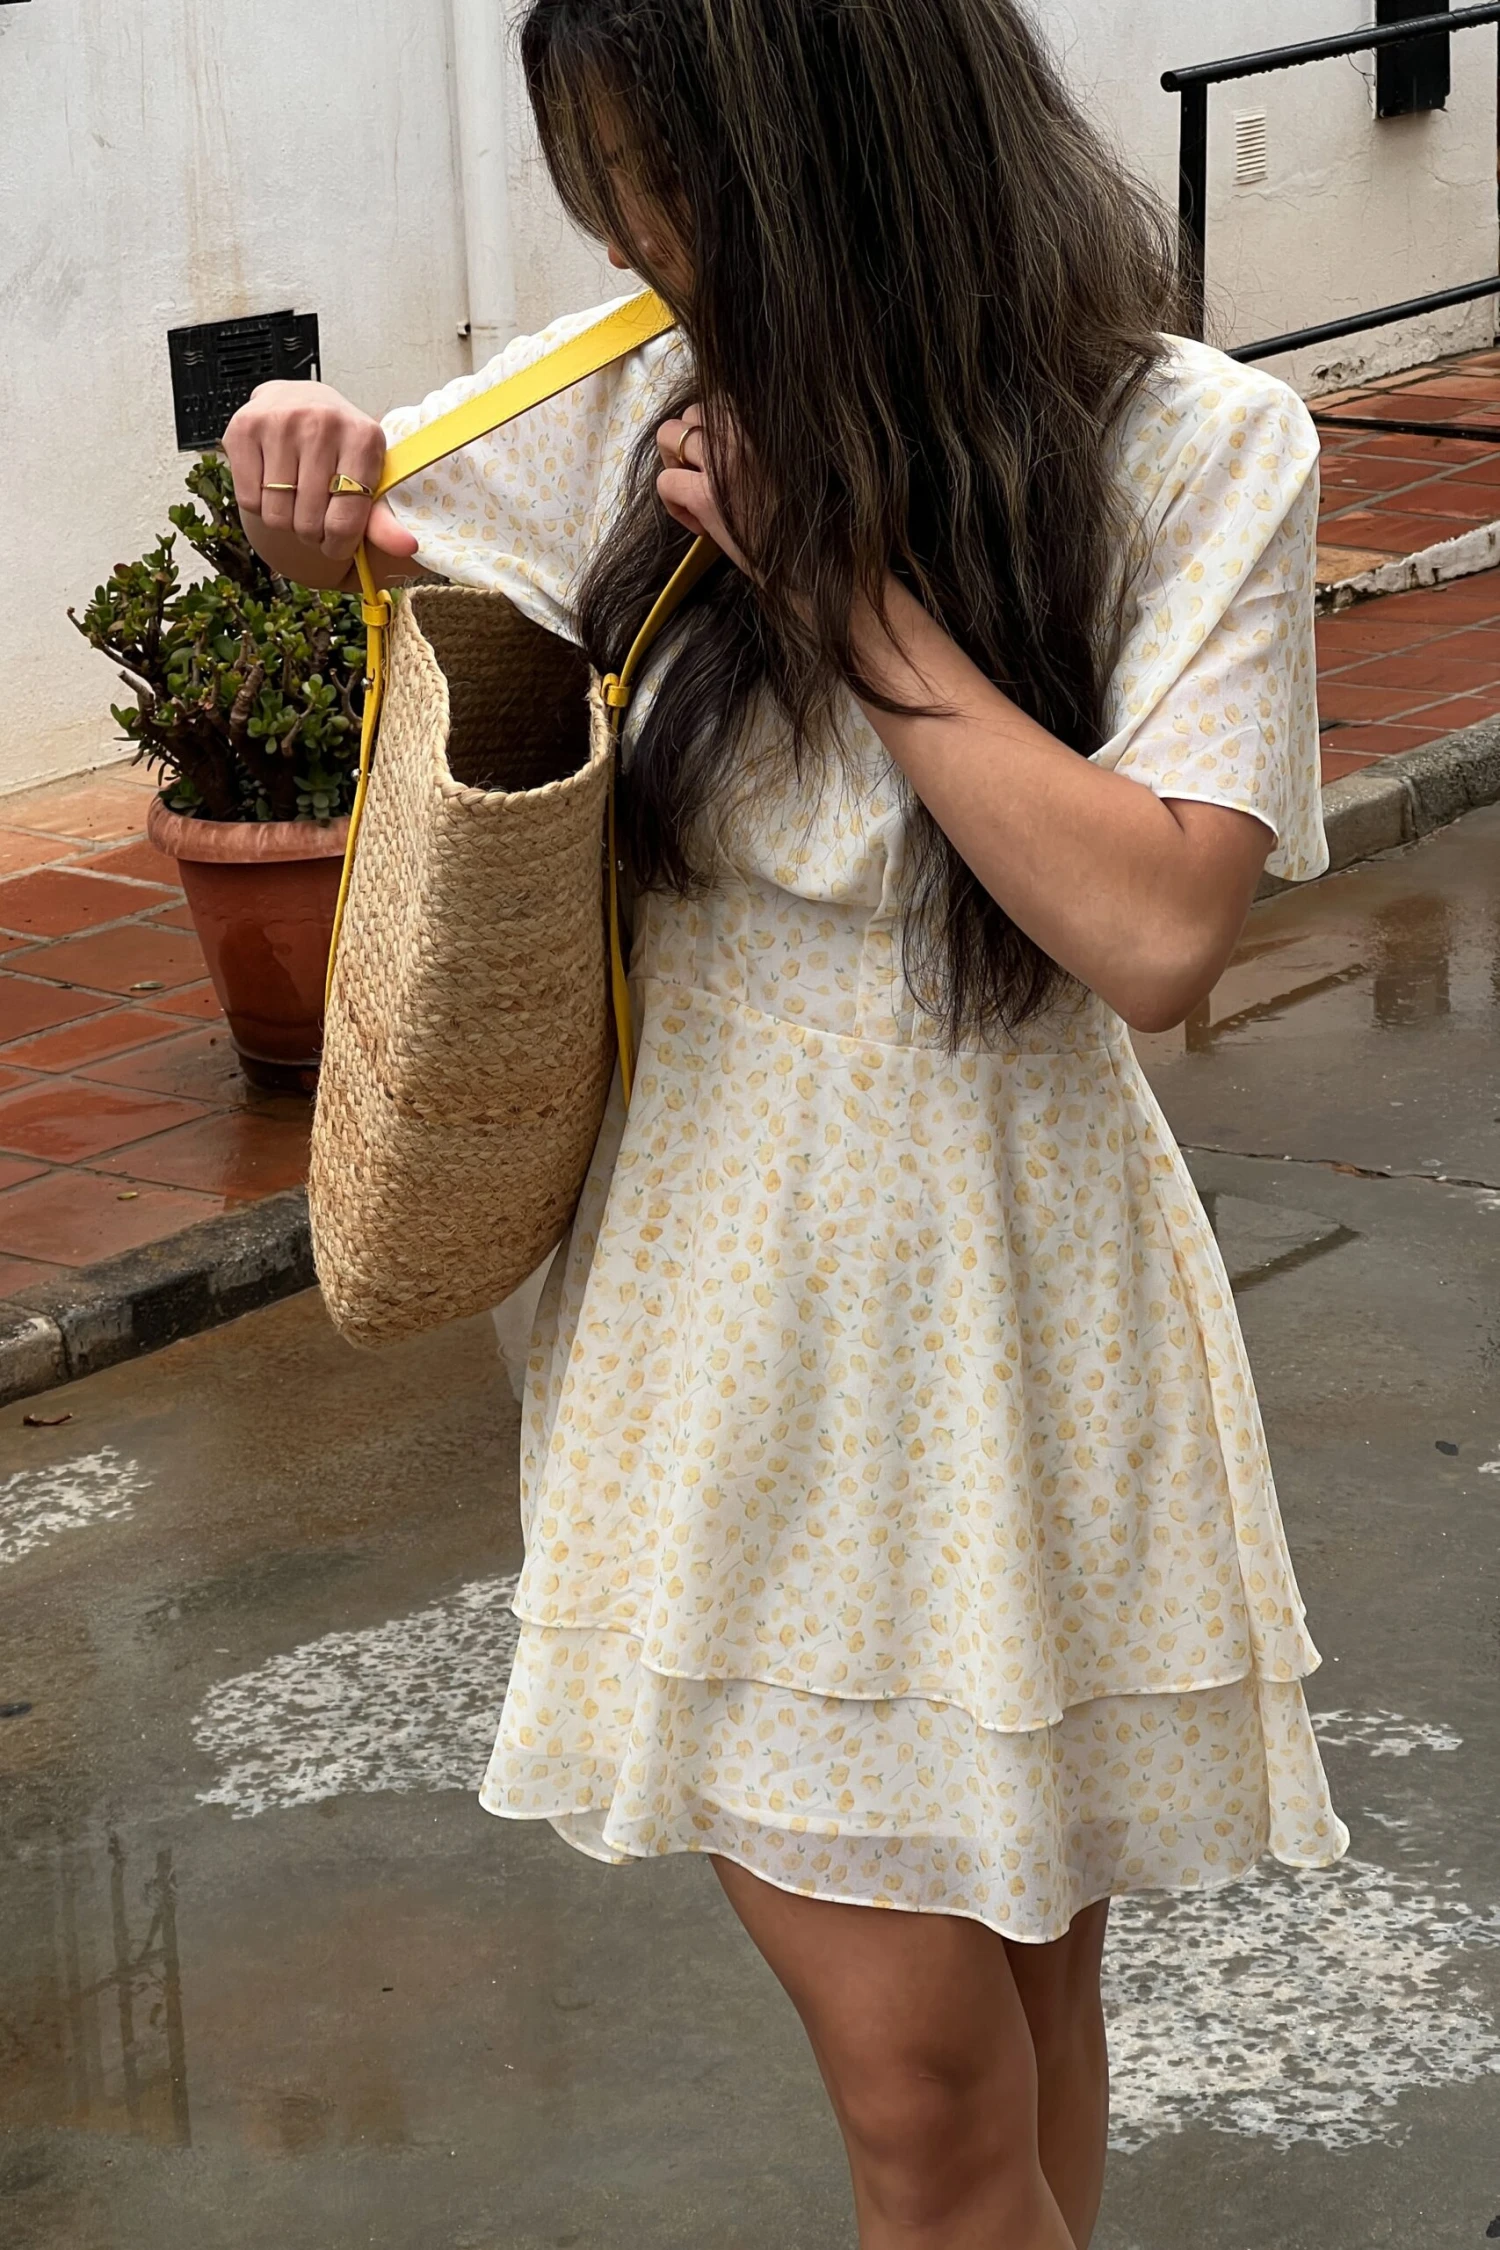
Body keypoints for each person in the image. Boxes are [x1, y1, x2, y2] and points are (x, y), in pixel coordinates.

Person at [227, 3, 1349, 2241]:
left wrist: (840, 595)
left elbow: (1153, 928)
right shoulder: (634, 409)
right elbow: (374, 534)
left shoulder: (1188, 444)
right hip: (725, 1333)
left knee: (1025, 2026)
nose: (629, 246)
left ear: (826, 152)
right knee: (928, 2097)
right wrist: (294, 496)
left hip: (1030, 1315)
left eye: (659, 183)